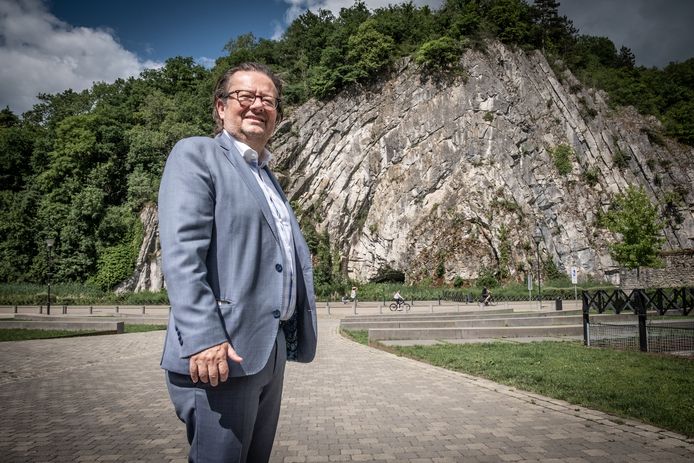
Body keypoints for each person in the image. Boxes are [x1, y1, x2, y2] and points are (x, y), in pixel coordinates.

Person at [158, 62, 318, 463]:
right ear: (220, 106)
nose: (256, 105)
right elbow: (182, 253)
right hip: (220, 351)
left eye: (267, 99)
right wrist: (205, 338)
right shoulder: (197, 154)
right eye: (244, 96)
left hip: (269, 348)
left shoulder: (268, 177)